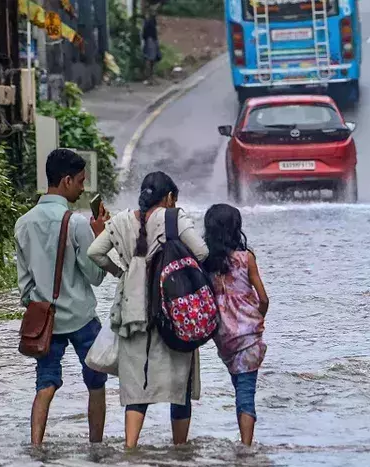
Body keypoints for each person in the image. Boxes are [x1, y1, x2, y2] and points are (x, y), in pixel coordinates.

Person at [88, 172, 208, 449]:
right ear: (168, 198)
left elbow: (94, 252)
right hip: (172, 309)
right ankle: (180, 451)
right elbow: (201, 252)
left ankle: (130, 449)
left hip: (133, 311)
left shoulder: (119, 221)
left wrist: (121, 271)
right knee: (180, 388)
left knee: (136, 388)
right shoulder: (174, 218)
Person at [15, 149, 111, 446]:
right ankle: (95, 448)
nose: (83, 188)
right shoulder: (78, 223)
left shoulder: (24, 223)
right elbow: (95, 277)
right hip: (81, 318)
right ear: (66, 180)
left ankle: (36, 448)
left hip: (45, 321)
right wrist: (99, 237)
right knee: (96, 384)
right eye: (80, 181)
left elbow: (25, 286)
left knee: (45, 385)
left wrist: (43, 302)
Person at [203, 204, 268, 447]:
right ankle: (246, 446)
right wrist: (256, 318)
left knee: (238, 387)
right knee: (246, 392)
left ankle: (244, 442)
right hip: (248, 337)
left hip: (223, 338)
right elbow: (263, 298)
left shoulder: (206, 262)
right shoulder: (246, 259)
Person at [142, 11, 161, 81]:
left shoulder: (148, 20)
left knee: (151, 58)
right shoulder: (149, 20)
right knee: (151, 58)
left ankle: (150, 76)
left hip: (150, 39)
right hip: (151, 39)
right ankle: (150, 77)